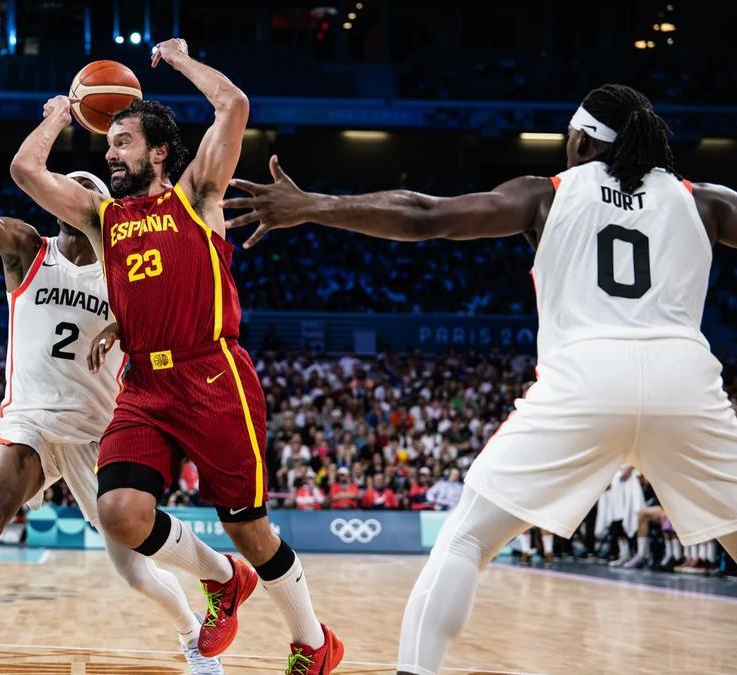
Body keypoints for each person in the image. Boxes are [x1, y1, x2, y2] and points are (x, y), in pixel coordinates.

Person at [224, 83, 737, 675]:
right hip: (685, 382)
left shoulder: (545, 195)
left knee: (467, 540)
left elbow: (426, 216)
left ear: (581, 139)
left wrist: (315, 204)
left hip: (585, 381)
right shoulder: (705, 201)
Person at [11, 38, 343, 674]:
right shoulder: (101, 217)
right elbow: (27, 174)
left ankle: (313, 643)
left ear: (159, 150)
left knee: (249, 526)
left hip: (212, 374)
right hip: (142, 385)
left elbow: (233, 103)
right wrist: (60, 113)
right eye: (107, 145)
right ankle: (222, 580)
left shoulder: (197, 194)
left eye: (124, 143)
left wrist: (182, 59)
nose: (110, 154)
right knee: (119, 513)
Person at [0, 70, 221, 675]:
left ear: (98, 212)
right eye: (63, 192)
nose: (69, 200)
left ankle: (194, 634)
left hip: (102, 430)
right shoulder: (24, 247)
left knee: (135, 569)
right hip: (32, 422)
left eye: (81, 192)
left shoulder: (130, 266)